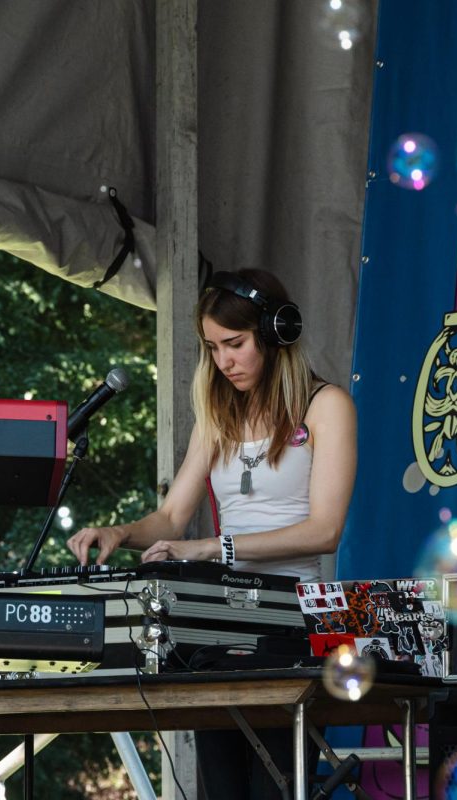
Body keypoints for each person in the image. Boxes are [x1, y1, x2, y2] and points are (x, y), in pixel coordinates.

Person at [66, 268, 357, 800]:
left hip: (291, 623)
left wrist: (214, 547)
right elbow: (173, 517)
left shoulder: (326, 405)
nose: (224, 360)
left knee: (276, 788)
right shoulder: (216, 415)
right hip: (217, 624)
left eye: (236, 343)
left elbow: (325, 530)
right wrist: (120, 531)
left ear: (276, 332)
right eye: (213, 347)